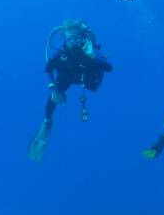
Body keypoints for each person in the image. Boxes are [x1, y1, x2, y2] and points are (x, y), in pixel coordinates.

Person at [28, 19, 113, 161]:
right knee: (53, 96)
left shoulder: (90, 49)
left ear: (82, 37)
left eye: (76, 38)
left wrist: (93, 56)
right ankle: (47, 122)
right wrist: (53, 88)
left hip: (88, 78)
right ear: (65, 39)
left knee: (93, 86)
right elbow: (48, 69)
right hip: (68, 76)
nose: (72, 41)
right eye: (69, 38)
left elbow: (109, 68)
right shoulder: (62, 52)